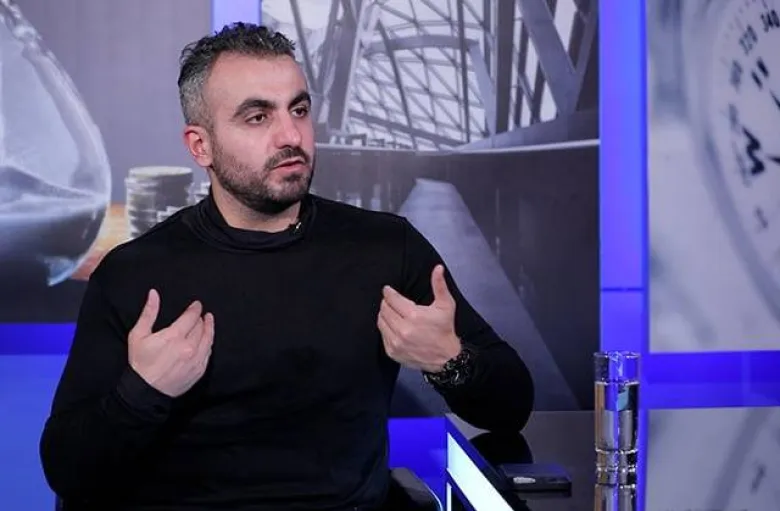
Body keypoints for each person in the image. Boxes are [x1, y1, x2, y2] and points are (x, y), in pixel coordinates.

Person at [39, 23, 535, 511]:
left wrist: (449, 360)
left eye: (298, 109)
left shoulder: (385, 247)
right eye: (258, 117)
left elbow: (512, 405)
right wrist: (142, 392)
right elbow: (67, 468)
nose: (291, 135)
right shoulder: (136, 273)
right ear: (200, 146)